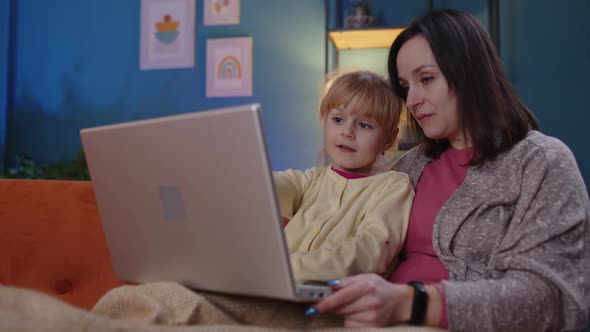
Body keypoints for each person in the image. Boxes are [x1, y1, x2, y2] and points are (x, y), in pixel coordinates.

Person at [309, 9, 590, 332]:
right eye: (405, 86)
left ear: (471, 74)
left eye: (426, 79)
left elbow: (554, 300)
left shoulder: (541, 163)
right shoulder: (410, 165)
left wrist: (409, 302)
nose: (412, 100)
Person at [274, 70, 414, 284]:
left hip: (334, 303)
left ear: (388, 139)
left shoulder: (393, 186)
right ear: (324, 121)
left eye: (364, 125)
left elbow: (369, 253)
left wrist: (286, 267)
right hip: (276, 286)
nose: (347, 132)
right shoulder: (309, 180)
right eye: (338, 119)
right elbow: (269, 187)